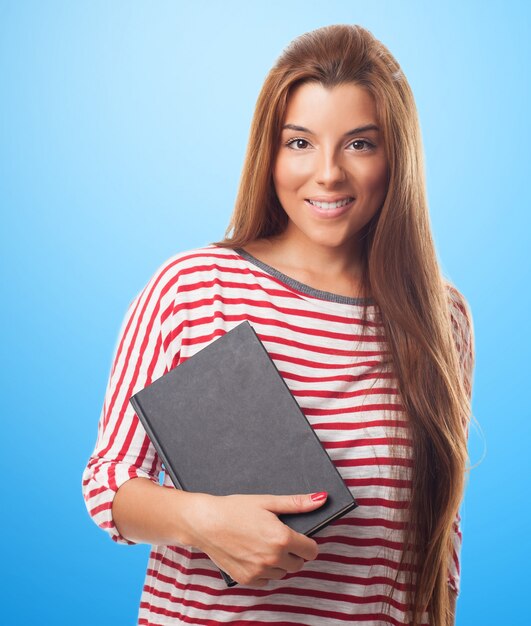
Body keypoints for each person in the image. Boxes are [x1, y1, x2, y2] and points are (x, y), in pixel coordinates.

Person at [82, 24, 475, 626]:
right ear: (269, 151)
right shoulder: (194, 287)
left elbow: (438, 543)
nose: (327, 174)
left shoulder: (438, 319)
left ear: (396, 155)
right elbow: (110, 483)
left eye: (359, 144)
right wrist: (203, 521)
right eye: (300, 143)